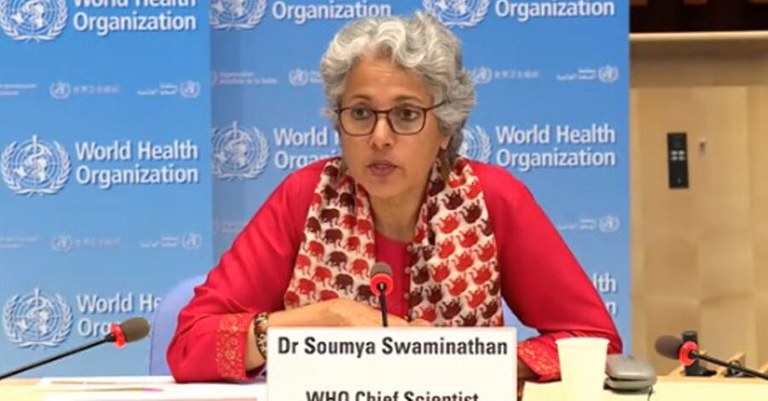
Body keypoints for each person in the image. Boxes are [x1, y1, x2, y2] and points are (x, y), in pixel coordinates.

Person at [167, 12, 622, 384]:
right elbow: (189, 344)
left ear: (445, 130)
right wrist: (322, 320)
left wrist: (476, 362)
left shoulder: (493, 199)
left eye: (406, 114)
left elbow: (593, 342)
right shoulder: (304, 198)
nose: (380, 137)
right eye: (361, 112)